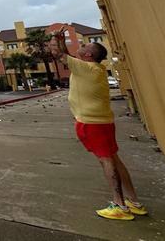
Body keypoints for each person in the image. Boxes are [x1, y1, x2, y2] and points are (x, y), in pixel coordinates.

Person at [49, 28, 147, 220]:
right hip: (103, 122)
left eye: (85, 45)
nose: (82, 46)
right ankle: (134, 202)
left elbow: (58, 54)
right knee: (113, 159)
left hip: (92, 123)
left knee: (106, 161)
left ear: (87, 55)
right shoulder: (92, 68)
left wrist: (54, 37)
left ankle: (119, 205)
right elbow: (65, 55)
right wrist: (61, 39)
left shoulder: (85, 68)